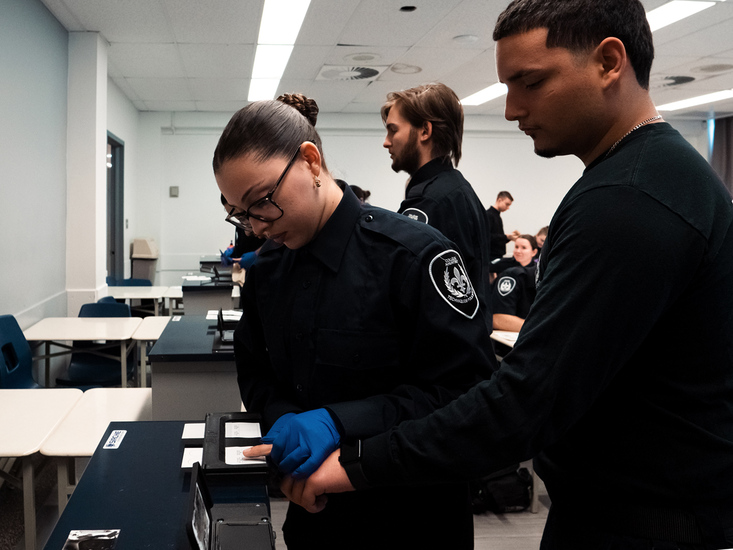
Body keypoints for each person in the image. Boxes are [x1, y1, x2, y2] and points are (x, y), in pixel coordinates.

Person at [276, 1, 733, 548]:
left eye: (530, 82)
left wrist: (358, 462)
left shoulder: (628, 199)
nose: (512, 109)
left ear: (610, 62)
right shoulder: (651, 176)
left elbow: (527, 401)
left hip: (645, 521)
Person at [214, 94, 497, 549]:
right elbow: (256, 369)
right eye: (240, 214)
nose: (258, 226)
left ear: (310, 161)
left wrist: (339, 422)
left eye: (262, 202)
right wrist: (281, 416)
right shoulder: (268, 271)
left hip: (414, 519)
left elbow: (466, 393)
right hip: (315, 520)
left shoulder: (413, 256)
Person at [382, 83, 493, 330]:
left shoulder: (430, 202)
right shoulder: (458, 189)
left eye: (392, 130)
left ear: (424, 131)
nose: (386, 142)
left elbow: (403, 289)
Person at [492, 234, 538, 333]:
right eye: (516, 247)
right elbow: (499, 318)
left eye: (523, 248)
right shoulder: (510, 273)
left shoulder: (537, 271)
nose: (518, 251)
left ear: (534, 252)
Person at [487, 191, 521, 260]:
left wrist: (509, 238)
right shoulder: (489, 215)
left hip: (497, 255)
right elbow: (487, 237)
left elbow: (498, 239)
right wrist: (506, 236)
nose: (508, 208)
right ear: (499, 200)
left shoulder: (497, 216)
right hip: (491, 256)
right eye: (507, 204)